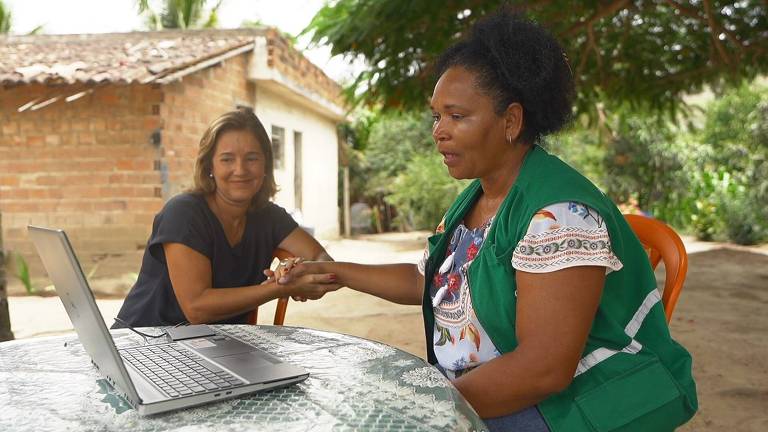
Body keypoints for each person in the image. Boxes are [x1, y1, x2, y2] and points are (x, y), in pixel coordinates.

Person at [277, 9, 697, 432]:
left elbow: (544, 370)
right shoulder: (476, 199)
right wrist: (335, 272)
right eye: (436, 116)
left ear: (511, 121)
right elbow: (428, 281)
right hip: (497, 390)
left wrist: (424, 403)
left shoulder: (561, 214)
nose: (439, 131)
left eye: (457, 116)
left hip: (582, 403)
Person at [114, 109, 338, 328]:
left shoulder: (268, 217)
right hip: (145, 343)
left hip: (220, 347)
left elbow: (323, 260)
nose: (240, 170)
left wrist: (295, 271)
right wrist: (279, 288)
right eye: (227, 159)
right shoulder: (183, 213)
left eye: (252, 158)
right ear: (209, 166)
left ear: (265, 166)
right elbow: (197, 309)